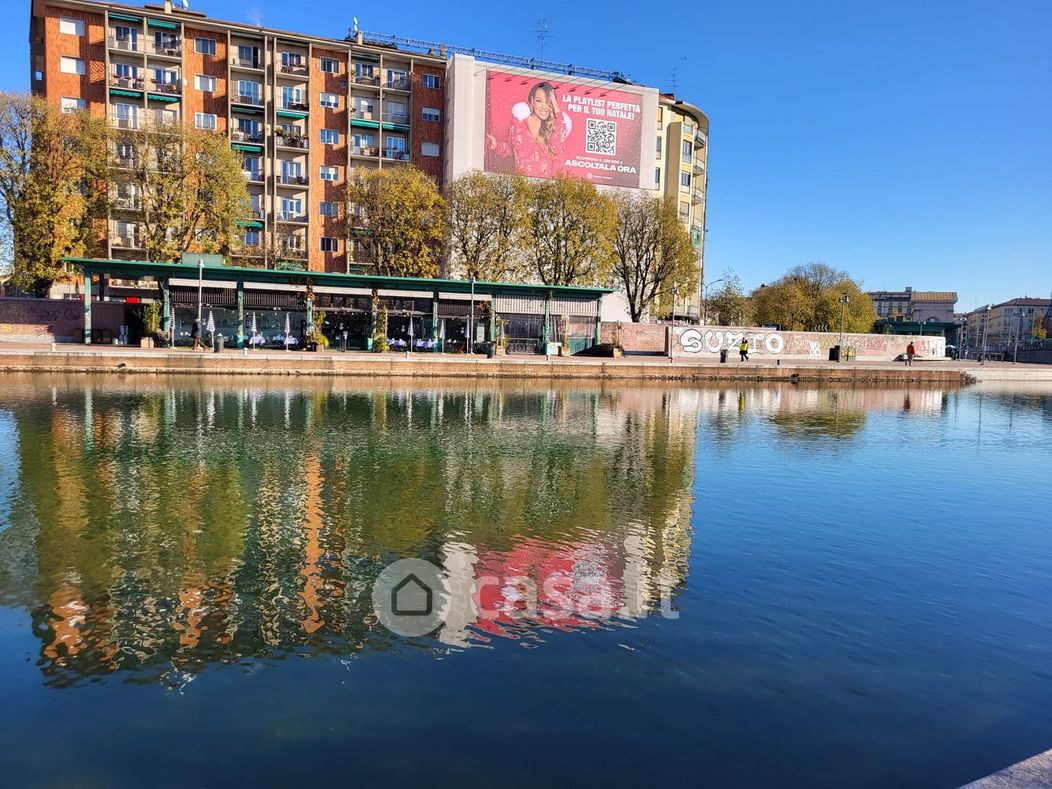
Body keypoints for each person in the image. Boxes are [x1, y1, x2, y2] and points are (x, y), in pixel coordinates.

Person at [486, 82, 569, 178]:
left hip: (545, 187)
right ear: (532, 101)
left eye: (548, 102)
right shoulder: (519, 122)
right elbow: (512, 149)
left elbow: (558, 149)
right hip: (522, 184)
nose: (544, 106)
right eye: (539, 101)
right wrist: (496, 146)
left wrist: (557, 112)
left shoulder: (554, 127)